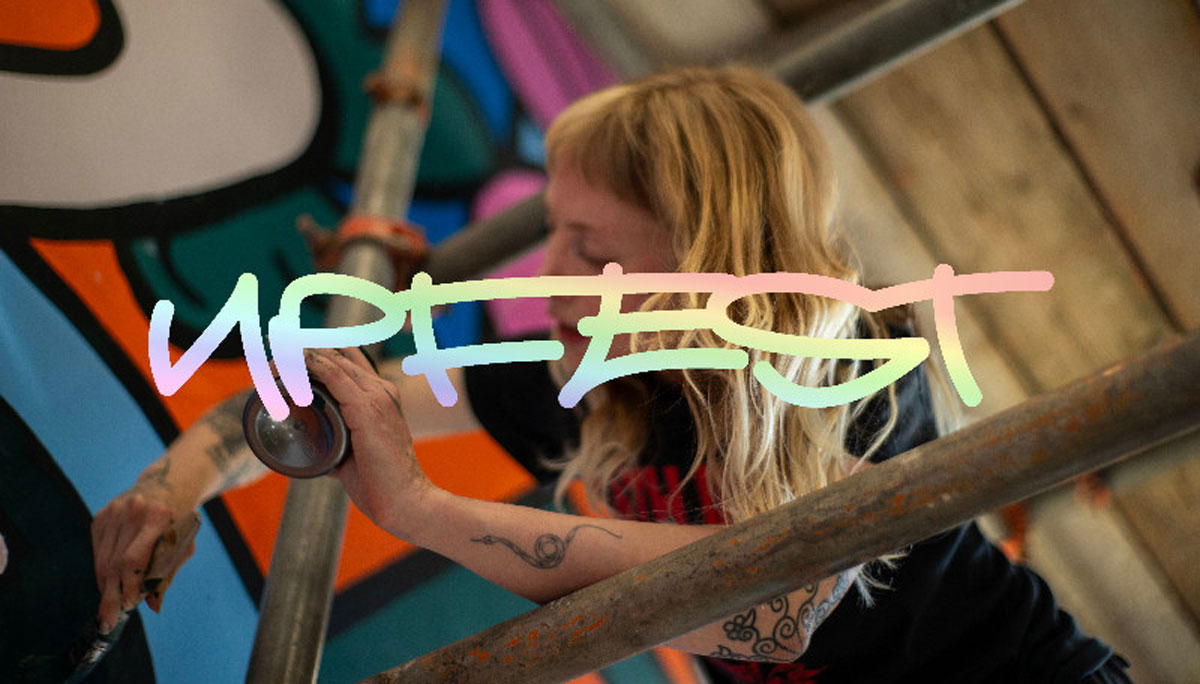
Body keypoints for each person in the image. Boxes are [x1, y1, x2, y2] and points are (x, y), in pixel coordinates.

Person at [92, 66, 1131, 683]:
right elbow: (314, 405)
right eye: (555, 231)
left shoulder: (849, 364)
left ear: (709, 266)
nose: (550, 275)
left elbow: (772, 612)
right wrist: (166, 491)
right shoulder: (595, 375)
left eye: (591, 251)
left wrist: (419, 508)